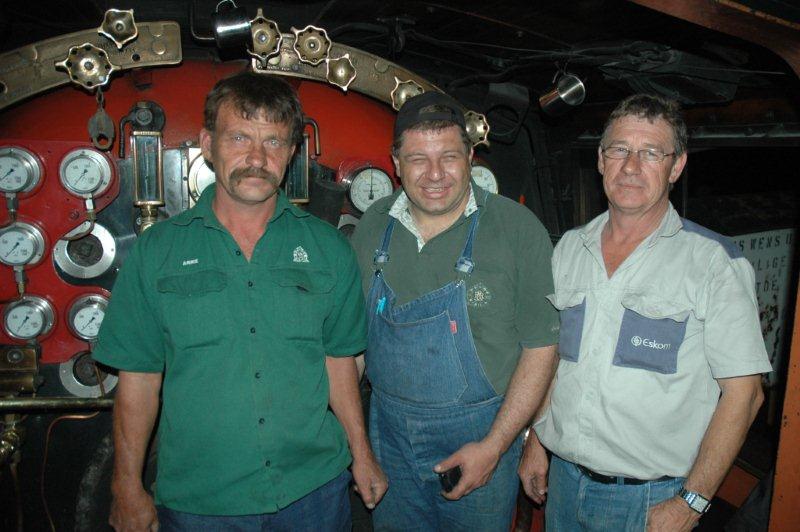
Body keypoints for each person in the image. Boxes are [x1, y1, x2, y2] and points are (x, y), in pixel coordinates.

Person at [93, 71, 387, 531]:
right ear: (208, 145)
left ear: (292, 154)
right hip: (200, 501)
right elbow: (138, 380)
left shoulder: (329, 249)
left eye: (274, 141)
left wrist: (362, 455)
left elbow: (339, 364)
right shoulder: (158, 252)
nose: (257, 158)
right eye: (240, 137)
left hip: (312, 492)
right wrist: (125, 485)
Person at [519, 93, 772, 531]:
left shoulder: (714, 264)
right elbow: (555, 360)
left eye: (651, 153)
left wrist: (691, 502)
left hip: (653, 498)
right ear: (600, 160)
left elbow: (745, 395)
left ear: (676, 167)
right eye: (619, 149)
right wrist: (536, 440)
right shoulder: (568, 251)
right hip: (564, 483)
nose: (631, 166)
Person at [350, 91, 560, 531]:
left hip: (481, 435)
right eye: (417, 159)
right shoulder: (372, 227)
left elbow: (542, 349)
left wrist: (497, 445)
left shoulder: (516, 229)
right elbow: (353, 350)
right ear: (395, 162)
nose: (434, 174)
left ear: (470, 157)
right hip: (388, 436)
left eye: (448, 156)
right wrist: (358, 448)